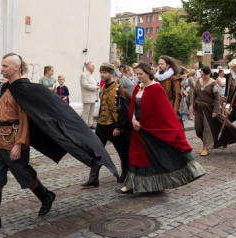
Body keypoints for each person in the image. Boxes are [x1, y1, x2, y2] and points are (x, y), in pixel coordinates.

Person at [0, 54, 118, 234]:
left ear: (16, 67)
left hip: (13, 141)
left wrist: (19, 143)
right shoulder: (6, 87)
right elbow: (3, 110)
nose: (1, 69)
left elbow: (25, 118)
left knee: (24, 174)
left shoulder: (24, 89)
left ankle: (46, 196)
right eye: (1, 66)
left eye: (5, 66)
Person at [117, 63, 206, 194]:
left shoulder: (156, 88)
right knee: (137, 155)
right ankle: (131, 184)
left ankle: (156, 184)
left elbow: (164, 110)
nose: (138, 76)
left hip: (152, 128)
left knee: (156, 156)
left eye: (140, 74)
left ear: (148, 73)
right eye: (136, 74)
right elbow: (133, 108)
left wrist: (167, 126)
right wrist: (133, 119)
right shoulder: (138, 88)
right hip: (138, 128)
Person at [81, 62, 132, 187]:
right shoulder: (102, 88)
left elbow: (124, 110)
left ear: (110, 73)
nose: (102, 75)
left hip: (115, 127)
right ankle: (93, 178)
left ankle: (125, 174)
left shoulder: (118, 88)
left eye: (105, 72)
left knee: (123, 153)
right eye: (101, 72)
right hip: (102, 126)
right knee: (96, 151)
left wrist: (118, 127)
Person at [190, 66, 236, 157]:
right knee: (198, 128)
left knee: (208, 129)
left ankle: (206, 146)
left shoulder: (213, 84)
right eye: (202, 74)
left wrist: (215, 110)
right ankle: (204, 143)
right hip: (199, 108)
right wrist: (193, 108)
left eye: (204, 74)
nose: (203, 76)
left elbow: (216, 98)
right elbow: (194, 95)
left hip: (209, 109)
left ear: (209, 74)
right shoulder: (198, 82)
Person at [156, 56, 183, 120]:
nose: (159, 66)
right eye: (159, 64)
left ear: (168, 65)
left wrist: (174, 113)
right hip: (158, 110)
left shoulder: (174, 79)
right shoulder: (156, 79)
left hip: (169, 109)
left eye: (162, 64)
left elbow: (177, 96)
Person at [223, 59, 236, 124]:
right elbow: (227, 89)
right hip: (231, 100)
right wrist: (225, 101)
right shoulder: (228, 76)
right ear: (232, 67)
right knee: (229, 118)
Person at [80, 62, 99, 129]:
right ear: (88, 67)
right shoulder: (84, 74)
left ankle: (90, 124)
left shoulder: (92, 75)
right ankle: (84, 125)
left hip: (93, 96)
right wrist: (95, 87)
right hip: (87, 96)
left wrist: (97, 86)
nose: (94, 68)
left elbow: (94, 84)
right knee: (86, 111)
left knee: (92, 111)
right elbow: (84, 85)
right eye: (92, 66)